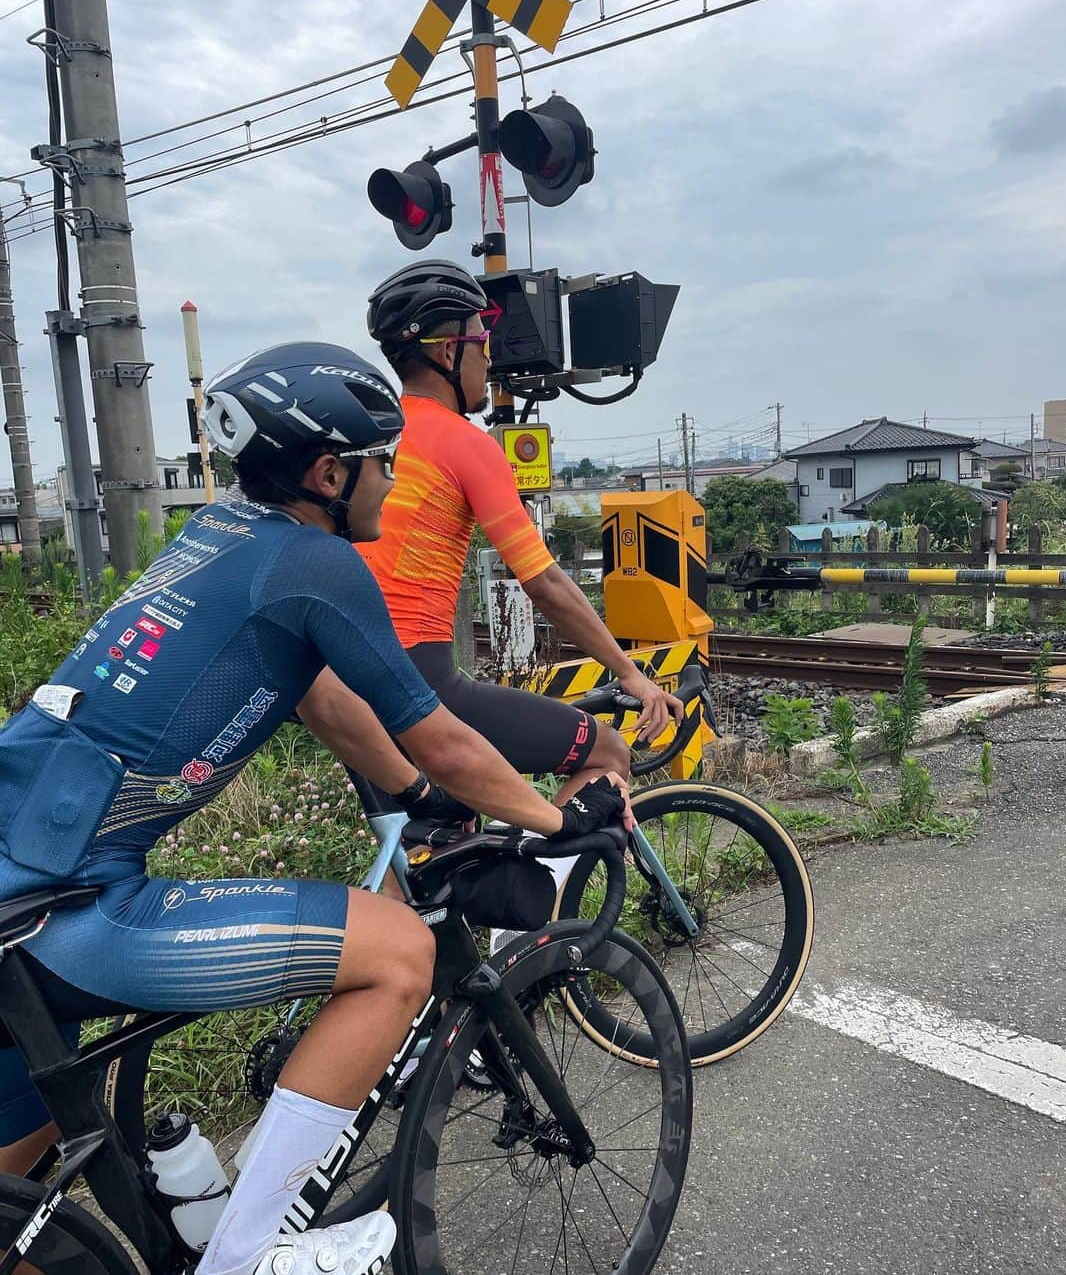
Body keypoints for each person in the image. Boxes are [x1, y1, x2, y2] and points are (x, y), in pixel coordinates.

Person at [0, 343, 630, 1275]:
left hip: (21, 876)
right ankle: (249, 1257)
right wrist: (555, 820)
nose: (392, 481)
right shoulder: (313, 564)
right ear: (330, 474)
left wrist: (418, 803)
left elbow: (324, 697)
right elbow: (444, 736)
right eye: (385, 462)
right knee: (399, 952)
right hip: (68, 907)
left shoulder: (223, 536)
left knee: (29, 1165)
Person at [359, 261, 682, 915]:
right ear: (449, 351)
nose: (490, 359)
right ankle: (543, 942)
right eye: (483, 341)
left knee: (426, 864)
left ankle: (406, 986)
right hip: (420, 685)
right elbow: (547, 583)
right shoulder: (464, 444)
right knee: (607, 750)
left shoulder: (369, 437)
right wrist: (632, 674)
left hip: (349, 691)